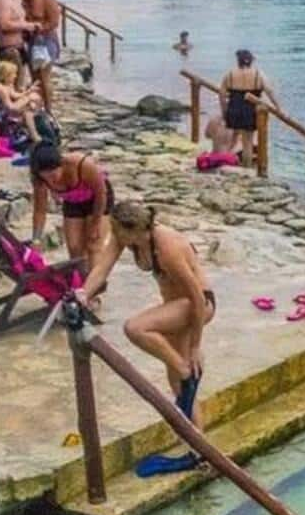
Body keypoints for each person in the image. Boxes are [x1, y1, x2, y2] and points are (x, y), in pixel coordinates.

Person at [79, 201, 215, 477]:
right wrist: (84, 293)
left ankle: (185, 369)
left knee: (136, 327)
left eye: (117, 231)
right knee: (180, 388)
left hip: (198, 305)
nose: (113, 236)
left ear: (135, 230)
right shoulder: (126, 238)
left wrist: (194, 346)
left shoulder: (168, 248)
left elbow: (198, 299)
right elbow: (102, 269)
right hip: (176, 306)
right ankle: (201, 452)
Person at [29, 141, 112, 262]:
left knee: (94, 245)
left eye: (53, 174)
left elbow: (101, 194)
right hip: (73, 200)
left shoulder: (80, 164)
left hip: (98, 198)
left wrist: (95, 223)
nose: (51, 180)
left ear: (61, 164)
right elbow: (40, 210)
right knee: (74, 248)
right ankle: (79, 279)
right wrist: (36, 239)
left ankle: (96, 279)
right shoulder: (39, 181)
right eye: (46, 177)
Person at [219, 50, 276, 165]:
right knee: (248, 143)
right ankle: (246, 167)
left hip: (233, 108)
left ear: (238, 61)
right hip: (250, 110)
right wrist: (278, 107)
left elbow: (221, 95)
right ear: (251, 61)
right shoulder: (258, 74)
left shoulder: (230, 74)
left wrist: (224, 111)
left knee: (231, 139)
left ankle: (224, 161)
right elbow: (269, 91)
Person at [21, 0, 64, 114]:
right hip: (32, 41)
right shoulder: (24, 2)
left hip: (46, 40)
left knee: (44, 76)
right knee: (34, 76)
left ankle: (49, 109)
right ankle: (38, 106)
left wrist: (38, 28)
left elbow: (54, 22)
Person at [0, 0, 36, 88]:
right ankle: (10, 105)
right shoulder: (2, 1)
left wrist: (31, 26)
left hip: (20, 47)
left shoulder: (16, 1)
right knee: (12, 85)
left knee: (20, 83)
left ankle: (17, 104)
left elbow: (19, 21)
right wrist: (26, 26)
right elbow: (4, 25)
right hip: (9, 49)